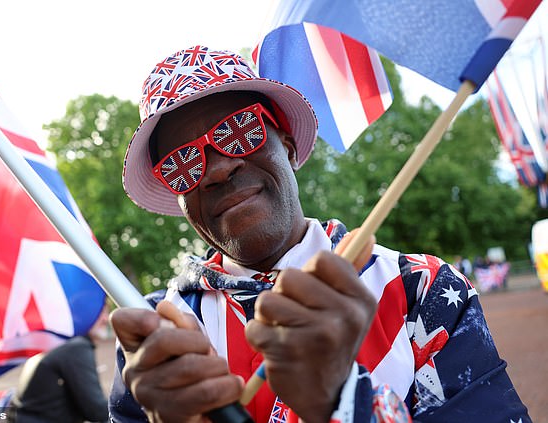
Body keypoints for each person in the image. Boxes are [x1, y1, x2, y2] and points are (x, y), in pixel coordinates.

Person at [108, 46, 530, 422]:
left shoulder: (420, 290)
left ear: (287, 145)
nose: (218, 168)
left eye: (239, 131)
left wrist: (344, 401)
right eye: (183, 164)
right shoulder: (157, 333)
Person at [7, 304, 110, 423]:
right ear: (83, 315)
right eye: (100, 312)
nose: (106, 318)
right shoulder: (76, 347)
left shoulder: (58, 341)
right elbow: (97, 411)